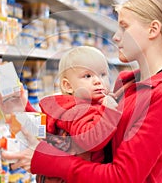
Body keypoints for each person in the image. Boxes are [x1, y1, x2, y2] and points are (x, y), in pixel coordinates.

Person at [0, 0, 162, 182]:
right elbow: (76, 135)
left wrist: (45, 161)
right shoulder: (128, 85)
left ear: (153, 29)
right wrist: (20, 110)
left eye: (124, 27)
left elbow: (122, 177)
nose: (116, 37)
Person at [36, 46, 120, 183]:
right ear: (68, 86)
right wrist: (108, 111)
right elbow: (90, 140)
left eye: (103, 74)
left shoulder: (75, 105)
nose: (98, 81)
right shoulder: (77, 109)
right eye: (88, 76)